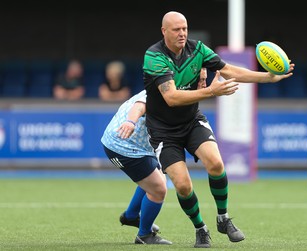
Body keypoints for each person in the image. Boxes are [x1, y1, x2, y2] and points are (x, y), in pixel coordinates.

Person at [142, 11, 295, 248]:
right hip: (163, 132)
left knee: (215, 163)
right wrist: (211, 92)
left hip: (192, 121)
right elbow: (171, 97)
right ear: (164, 31)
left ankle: (223, 218)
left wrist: (268, 77)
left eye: (184, 28)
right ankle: (200, 228)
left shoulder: (198, 49)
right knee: (182, 184)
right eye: (176, 29)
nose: (182, 33)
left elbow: (228, 70)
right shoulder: (154, 56)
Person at [100, 90, 172, 245]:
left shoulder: (169, 85)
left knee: (158, 179)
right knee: (158, 189)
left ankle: (131, 216)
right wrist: (131, 122)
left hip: (137, 146)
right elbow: (140, 105)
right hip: (122, 145)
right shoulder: (163, 90)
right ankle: (144, 235)